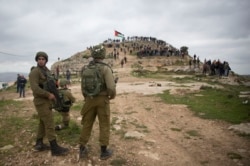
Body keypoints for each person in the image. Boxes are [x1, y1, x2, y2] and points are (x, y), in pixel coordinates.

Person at [79, 45, 116, 160]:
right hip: (102, 100)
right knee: (104, 124)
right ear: (103, 55)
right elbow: (111, 87)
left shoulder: (86, 68)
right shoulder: (106, 68)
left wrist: (87, 97)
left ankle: (82, 148)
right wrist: (111, 96)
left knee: (87, 124)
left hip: (89, 100)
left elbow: (83, 87)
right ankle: (104, 151)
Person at [29, 51, 69, 156]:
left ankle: (39, 143)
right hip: (41, 101)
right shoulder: (35, 72)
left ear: (46, 60)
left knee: (43, 122)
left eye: (43, 59)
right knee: (49, 123)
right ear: (37, 60)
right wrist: (47, 94)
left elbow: (51, 83)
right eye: (39, 59)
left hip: (47, 101)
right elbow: (35, 88)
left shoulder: (45, 71)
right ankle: (55, 148)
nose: (41, 61)